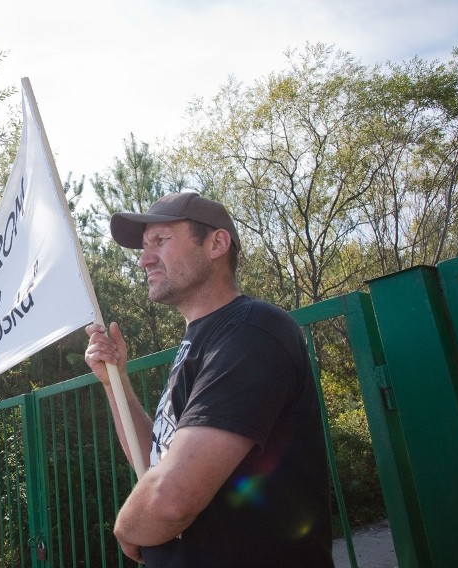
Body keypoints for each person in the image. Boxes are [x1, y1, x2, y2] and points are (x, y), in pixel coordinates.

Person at [84, 192, 333, 567]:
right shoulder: (201, 342)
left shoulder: (252, 331)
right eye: (144, 246)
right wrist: (114, 382)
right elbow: (155, 466)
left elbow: (171, 499)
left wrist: (127, 527)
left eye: (161, 241)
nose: (144, 258)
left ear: (217, 243)